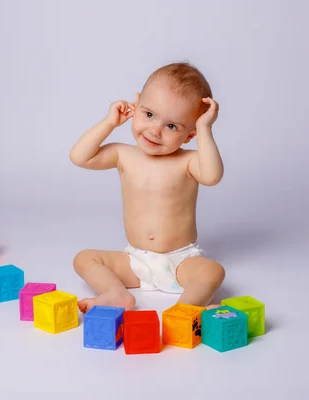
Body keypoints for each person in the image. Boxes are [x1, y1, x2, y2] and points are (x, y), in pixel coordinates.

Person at [69, 62, 225, 313]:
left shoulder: (188, 161)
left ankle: (184, 310)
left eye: (172, 126)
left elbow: (212, 176)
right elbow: (80, 156)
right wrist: (110, 122)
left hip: (181, 261)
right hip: (136, 260)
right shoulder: (123, 154)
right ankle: (115, 293)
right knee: (84, 258)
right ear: (136, 105)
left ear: (189, 135)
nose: (155, 130)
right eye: (149, 114)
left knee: (213, 271)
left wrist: (205, 128)